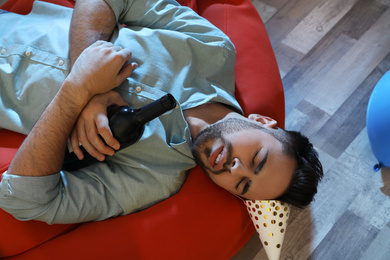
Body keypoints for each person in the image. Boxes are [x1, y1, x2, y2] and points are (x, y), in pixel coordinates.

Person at [0, 0, 323, 224]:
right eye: (257, 160)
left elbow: (26, 201)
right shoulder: (211, 48)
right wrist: (93, 85)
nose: (235, 170)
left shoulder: (153, 179)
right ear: (263, 122)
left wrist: (76, 94)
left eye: (241, 185)